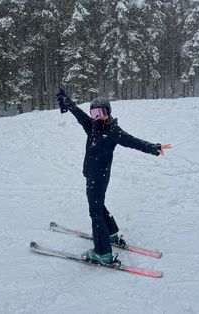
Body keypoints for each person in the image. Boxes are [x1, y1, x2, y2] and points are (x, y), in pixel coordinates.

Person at [56, 88, 172, 265]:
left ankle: (102, 253)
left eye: (101, 112)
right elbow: (79, 115)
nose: (97, 117)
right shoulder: (93, 127)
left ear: (108, 112)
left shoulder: (112, 131)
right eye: (94, 113)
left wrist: (153, 148)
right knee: (98, 206)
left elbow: (132, 141)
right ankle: (111, 234)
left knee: (95, 212)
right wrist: (67, 101)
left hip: (99, 178)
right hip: (92, 175)